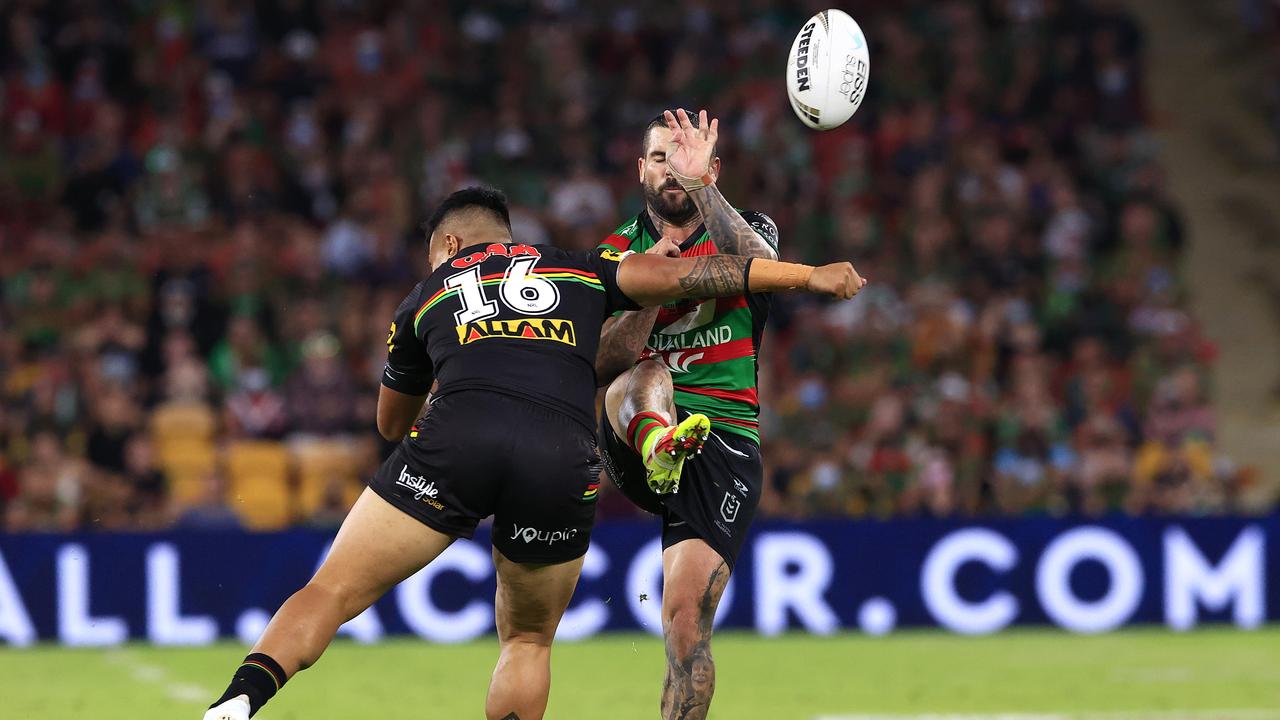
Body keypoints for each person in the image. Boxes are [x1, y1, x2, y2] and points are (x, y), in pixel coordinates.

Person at [204, 185, 865, 720]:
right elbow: (698, 274)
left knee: (332, 591)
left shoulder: (425, 293)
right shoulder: (581, 265)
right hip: (560, 451)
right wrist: (809, 277)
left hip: (457, 436)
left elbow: (390, 421)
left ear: (450, 245)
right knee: (525, 639)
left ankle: (239, 701)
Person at [595, 108, 799, 719]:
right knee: (649, 372)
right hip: (637, 425)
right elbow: (604, 359)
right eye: (660, 157)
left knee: (685, 626)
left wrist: (705, 190)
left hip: (723, 437)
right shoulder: (614, 253)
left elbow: (766, 269)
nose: (672, 170)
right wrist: (645, 289)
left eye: (686, 159)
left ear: (712, 168)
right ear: (641, 170)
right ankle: (659, 445)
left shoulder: (746, 229)